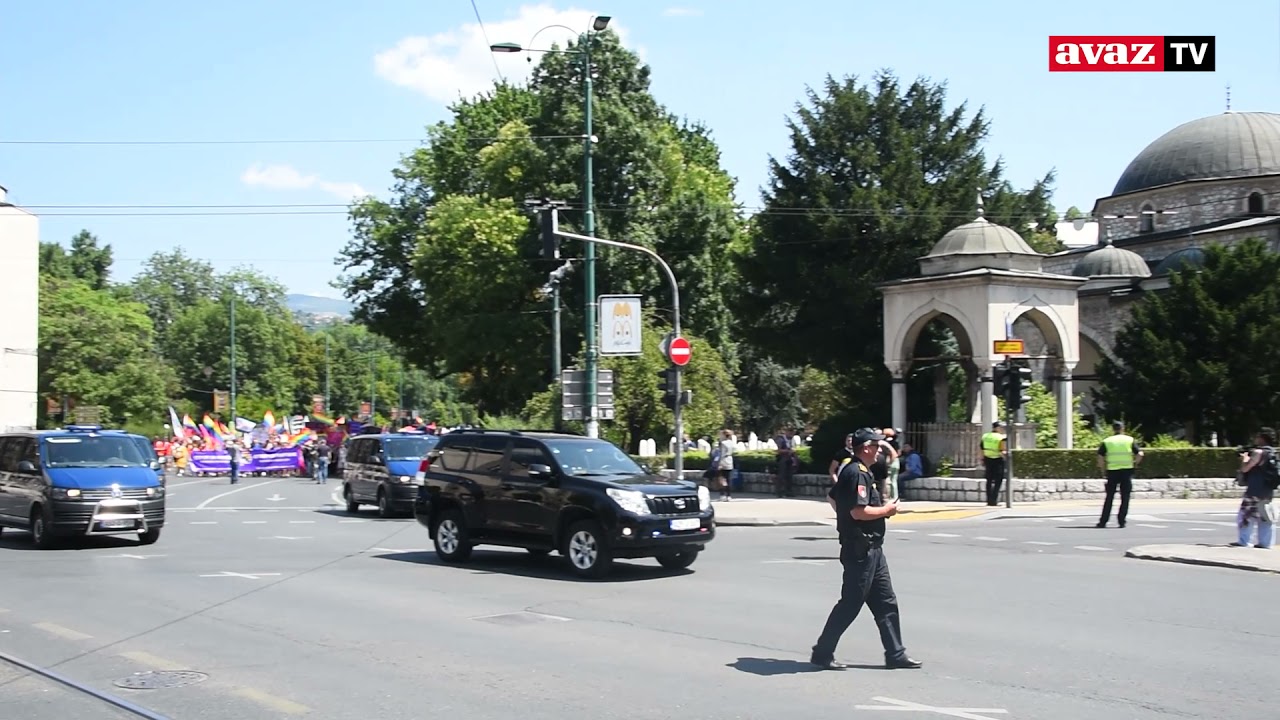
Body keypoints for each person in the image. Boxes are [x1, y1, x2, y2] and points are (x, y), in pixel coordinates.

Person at [811, 428, 922, 671]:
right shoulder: (856, 472)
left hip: (872, 548)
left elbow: (835, 498)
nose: (881, 450)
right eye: (878, 446)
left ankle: (895, 654)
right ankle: (822, 652)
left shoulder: (856, 471)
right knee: (851, 603)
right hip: (860, 548)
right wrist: (886, 511)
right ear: (867, 448)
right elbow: (858, 511)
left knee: (886, 601)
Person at [1232, 427, 1276, 548]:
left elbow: (1245, 468)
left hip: (1254, 490)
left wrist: (1244, 459)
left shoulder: (1258, 453)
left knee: (1245, 516)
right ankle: (1266, 544)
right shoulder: (1272, 452)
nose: (1255, 439)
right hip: (1267, 490)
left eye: (1257, 436)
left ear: (1262, 438)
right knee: (1265, 517)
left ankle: (1243, 541)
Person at [1096, 421, 1143, 528]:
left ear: (1113, 429)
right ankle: (1122, 521)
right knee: (1125, 497)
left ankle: (1103, 521)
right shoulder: (1129, 440)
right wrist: (1135, 464)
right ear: (1123, 429)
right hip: (1126, 471)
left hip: (1112, 471)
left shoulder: (1107, 441)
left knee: (1109, 497)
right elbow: (1140, 454)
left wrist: (1103, 470)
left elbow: (1100, 457)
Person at [979, 422, 1007, 506]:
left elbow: (981, 448)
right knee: (998, 480)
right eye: (1001, 427)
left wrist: (981, 458)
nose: (1002, 429)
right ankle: (994, 500)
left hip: (987, 459)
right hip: (998, 460)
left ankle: (989, 500)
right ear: (996, 428)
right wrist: (1006, 459)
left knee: (989, 480)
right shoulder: (1001, 437)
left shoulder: (985, 436)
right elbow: (1002, 450)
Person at [774, 426, 796, 498]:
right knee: (781, 475)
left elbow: (793, 448)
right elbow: (778, 450)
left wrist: (793, 452)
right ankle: (779, 492)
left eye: (792, 433)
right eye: (790, 432)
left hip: (790, 459)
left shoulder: (792, 439)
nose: (791, 434)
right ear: (786, 432)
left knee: (789, 476)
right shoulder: (781, 439)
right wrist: (787, 451)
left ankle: (788, 491)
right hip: (782, 459)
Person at [715, 429, 735, 501]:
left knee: (721, 479)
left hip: (723, 461)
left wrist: (720, 463)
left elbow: (721, 454)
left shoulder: (723, 443)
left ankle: (722, 495)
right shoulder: (732, 443)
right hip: (729, 461)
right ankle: (729, 495)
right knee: (728, 479)